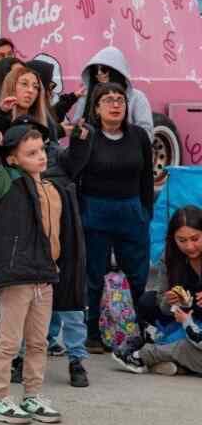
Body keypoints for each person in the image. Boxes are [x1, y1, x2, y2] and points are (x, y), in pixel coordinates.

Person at [0, 125, 67, 425]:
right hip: (16, 274)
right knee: (9, 341)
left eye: (41, 150)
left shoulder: (50, 187)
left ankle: (32, 394)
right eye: (31, 153)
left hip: (44, 273)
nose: (41, 156)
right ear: (13, 159)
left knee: (38, 341)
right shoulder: (6, 182)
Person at [65, 81, 154, 351]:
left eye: (120, 100)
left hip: (131, 211)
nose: (116, 104)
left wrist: (145, 212)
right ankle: (92, 333)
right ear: (96, 107)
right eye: (108, 100)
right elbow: (73, 172)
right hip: (95, 212)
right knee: (94, 276)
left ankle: (138, 330)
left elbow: (146, 178)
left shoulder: (138, 136)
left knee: (138, 275)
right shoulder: (87, 135)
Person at [114, 205, 202, 375]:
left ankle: (154, 357)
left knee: (184, 347)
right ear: (173, 239)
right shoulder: (169, 258)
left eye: (195, 238)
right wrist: (170, 302)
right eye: (182, 240)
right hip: (186, 319)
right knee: (148, 301)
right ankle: (171, 359)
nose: (190, 246)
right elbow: (163, 305)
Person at [71, 46, 154, 139]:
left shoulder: (137, 97)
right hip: (91, 151)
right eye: (95, 69)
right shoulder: (86, 96)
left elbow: (147, 133)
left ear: (117, 70)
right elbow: (76, 125)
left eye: (104, 69)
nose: (99, 73)